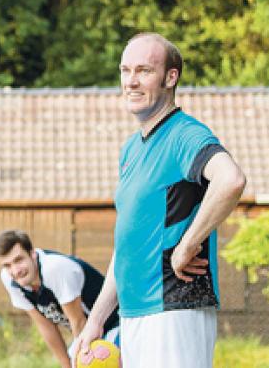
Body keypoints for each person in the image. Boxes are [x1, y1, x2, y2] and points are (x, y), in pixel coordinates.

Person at [77, 33, 247, 367]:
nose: (131, 81)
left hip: (174, 307)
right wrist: (96, 319)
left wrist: (187, 246)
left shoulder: (184, 134)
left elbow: (231, 179)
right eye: (126, 71)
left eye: (143, 70)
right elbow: (127, 246)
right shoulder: (130, 149)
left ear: (171, 77)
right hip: (134, 312)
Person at [0, 230, 119, 368]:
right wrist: (66, 365)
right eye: (7, 265)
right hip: (87, 333)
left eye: (18, 260)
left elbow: (78, 322)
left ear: (32, 253)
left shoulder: (54, 269)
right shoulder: (10, 279)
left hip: (113, 323)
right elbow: (45, 326)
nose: (15, 270)